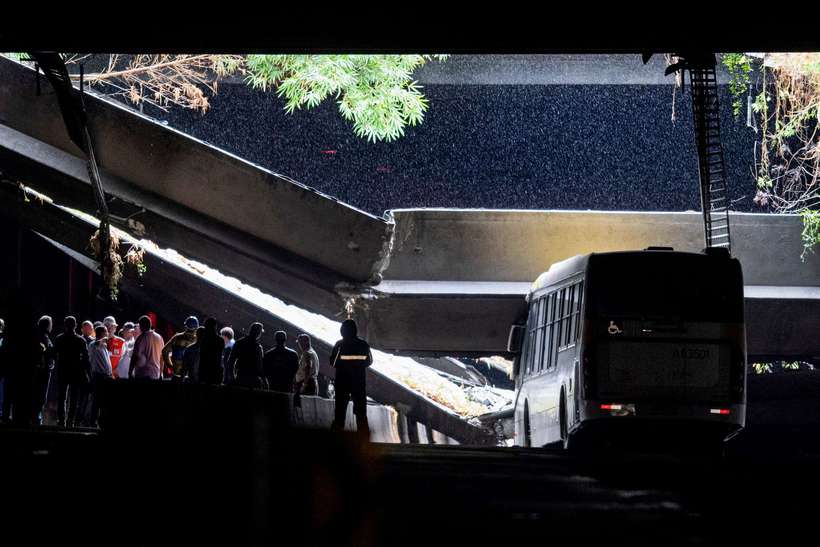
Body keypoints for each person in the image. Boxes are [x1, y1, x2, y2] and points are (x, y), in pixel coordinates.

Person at [329, 319, 373, 438]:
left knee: (340, 412)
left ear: (343, 331)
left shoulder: (339, 345)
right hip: (358, 383)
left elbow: (332, 362)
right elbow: (369, 361)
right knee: (361, 412)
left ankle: (337, 438)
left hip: (342, 382)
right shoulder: (364, 345)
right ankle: (364, 439)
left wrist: (344, 366)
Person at [54, 316, 91, 428]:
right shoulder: (80, 340)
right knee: (73, 398)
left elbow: (54, 354)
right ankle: (70, 421)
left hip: (63, 371)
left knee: (62, 397)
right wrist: (88, 374)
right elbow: (86, 359)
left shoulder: (59, 338)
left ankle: (61, 421)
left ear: (65, 325)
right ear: (75, 325)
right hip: (76, 372)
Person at [87, 325, 113, 428]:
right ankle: (92, 423)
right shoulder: (93, 344)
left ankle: (101, 423)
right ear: (101, 333)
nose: (107, 333)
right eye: (106, 332)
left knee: (103, 401)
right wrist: (103, 339)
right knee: (97, 401)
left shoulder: (103, 346)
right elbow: (97, 343)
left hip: (106, 377)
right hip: (98, 376)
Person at [32, 315, 55, 425]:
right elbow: (45, 352)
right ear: (47, 325)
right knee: (40, 396)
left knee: (39, 396)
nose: (52, 326)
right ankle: (36, 418)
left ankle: (36, 417)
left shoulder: (43, 336)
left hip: (43, 371)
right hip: (42, 372)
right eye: (50, 324)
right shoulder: (42, 337)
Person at [228, 322, 264, 388]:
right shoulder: (258, 347)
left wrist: (232, 377)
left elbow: (231, 361)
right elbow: (260, 367)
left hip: (241, 376)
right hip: (253, 380)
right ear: (259, 333)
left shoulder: (239, 342)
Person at [162, 316, 199, 381]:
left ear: (185, 326)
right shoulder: (197, 340)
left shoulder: (176, 337)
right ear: (196, 328)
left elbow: (164, 351)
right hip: (189, 376)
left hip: (176, 374)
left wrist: (170, 366)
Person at [130, 315, 165, 380]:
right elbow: (162, 357)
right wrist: (161, 373)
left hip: (143, 374)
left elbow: (135, 356)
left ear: (141, 326)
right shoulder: (159, 337)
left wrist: (130, 372)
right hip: (155, 374)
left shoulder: (141, 338)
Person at [293, 334, 319, 406]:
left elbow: (308, 368)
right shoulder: (313, 353)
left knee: (301, 406)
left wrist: (304, 385)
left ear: (305, 342)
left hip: (306, 384)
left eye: (300, 342)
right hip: (311, 383)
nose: (299, 345)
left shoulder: (306, 353)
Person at [198, 318, 225, 386]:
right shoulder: (220, 340)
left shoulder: (203, 340)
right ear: (215, 327)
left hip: (204, 371)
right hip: (215, 372)